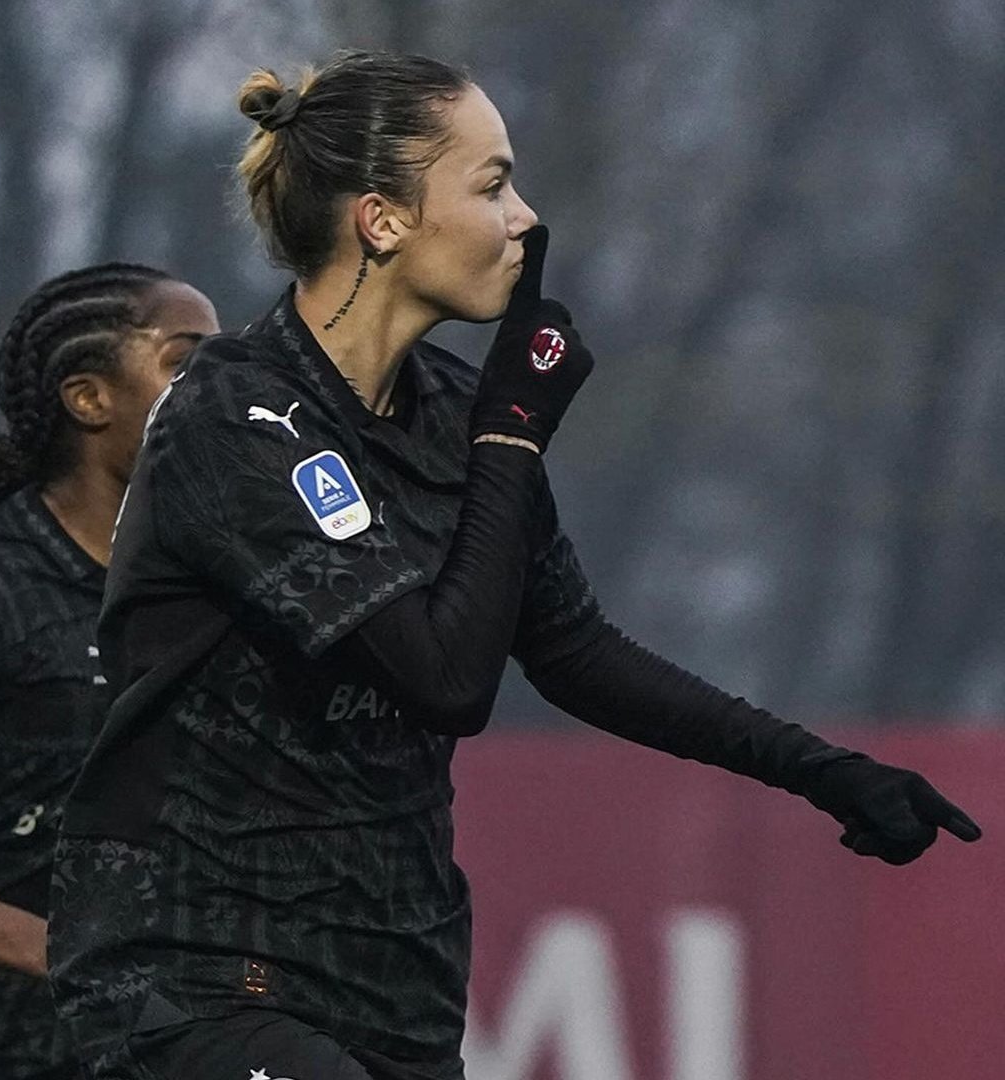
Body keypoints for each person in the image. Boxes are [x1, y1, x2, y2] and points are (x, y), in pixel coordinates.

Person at [48, 52, 981, 1080]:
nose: (527, 219)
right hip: (204, 980)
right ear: (384, 219)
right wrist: (512, 439)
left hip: (392, 987)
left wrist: (821, 770)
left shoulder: (454, 412)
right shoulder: (240, 418)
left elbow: (574, 650)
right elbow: (444, 679)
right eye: (491, 185)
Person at [0, 262, 220, 1080]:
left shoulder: (208, 595)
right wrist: (58, 951)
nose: (219, 396)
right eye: (185, 365)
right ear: (88, 399)